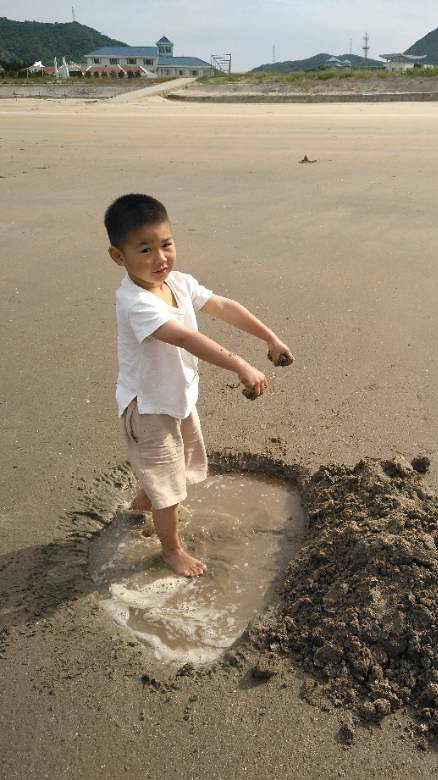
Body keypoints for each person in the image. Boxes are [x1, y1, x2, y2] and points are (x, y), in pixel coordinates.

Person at [104, 193, 294, 578]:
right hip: (148, 409)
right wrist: (241, 366)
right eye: (145, 249)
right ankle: (171, 550)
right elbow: (187, 339)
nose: (160, 258)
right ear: (118, 257)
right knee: (170, 490)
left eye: (166, 244)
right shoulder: (135, 302)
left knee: (178, 468)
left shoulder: (177, 281)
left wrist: (269, 338)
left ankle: (147, 498)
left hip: (177, 398)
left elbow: (224, 306)